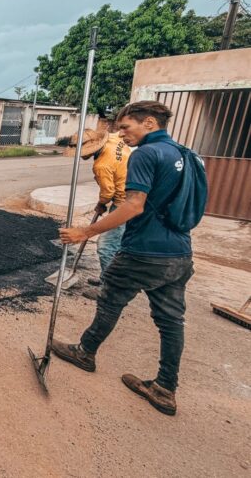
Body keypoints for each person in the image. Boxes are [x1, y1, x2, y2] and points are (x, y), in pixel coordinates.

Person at [53, 101, 198, 416]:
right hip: (179, 253)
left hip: (143, 250)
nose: (121, 134)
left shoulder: (146, 154)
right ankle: (164, 388)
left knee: (110, 300)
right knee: (171, 320)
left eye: (125, 127)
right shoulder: (185, 154)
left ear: (148, 122)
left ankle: (85, 352)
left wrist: (85, 232)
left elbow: (133, 206)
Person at [65, 128, 130, 291]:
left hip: (124, 203)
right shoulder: (114, 139)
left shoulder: (102, 165)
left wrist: (101, 204)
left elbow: (108, 192)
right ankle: (106, 277)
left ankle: (108, 288)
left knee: (106, 245)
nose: (80, 155)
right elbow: (121, 132)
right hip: (136, 195)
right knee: (118, 243)